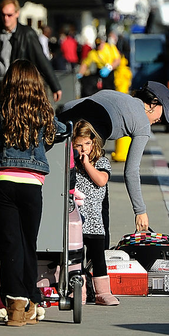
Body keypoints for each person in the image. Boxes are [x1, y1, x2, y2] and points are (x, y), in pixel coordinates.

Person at [0, 59, 67, 326]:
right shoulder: (43, 113)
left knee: (10, 245)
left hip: (3, 182)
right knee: (28, 244)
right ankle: (31, 302)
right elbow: (60, 131)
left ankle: (16, 307)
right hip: (32, 185)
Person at [57, 81, 169, 246]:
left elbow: (68, 106)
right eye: (162, 113)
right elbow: (131, 171)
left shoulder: (114, 95)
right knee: (99, 201)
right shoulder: (142, 124)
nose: (160, 119)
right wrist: (140, 211)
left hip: (63, 130)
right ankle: (99, 255)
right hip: (87, 145)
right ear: (153, 103)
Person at [0, 0, 62, 110]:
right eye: (3, 15)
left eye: (9, 15)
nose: (6, 18)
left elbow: (41, 60)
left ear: (17, 13)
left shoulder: (27, 34)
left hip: (18, 88)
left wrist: (55, 86)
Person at [72, 120, 119, 306]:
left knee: (98, 259)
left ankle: (103, 292)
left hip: (95, 222)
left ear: (94, 143)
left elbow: (101, 180)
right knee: (76, 259)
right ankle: (79, 291)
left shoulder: (101, 162)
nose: (83, 149)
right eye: (78, 145)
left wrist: (87, 165)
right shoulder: (71, 165)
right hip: (76, 220)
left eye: (87, 143)